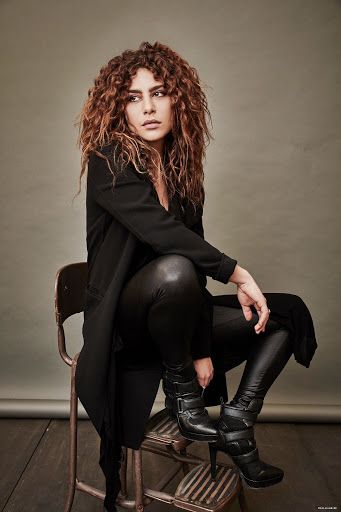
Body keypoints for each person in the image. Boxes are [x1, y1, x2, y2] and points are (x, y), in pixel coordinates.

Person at [74, 41, 317, 511]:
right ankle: (184, 402)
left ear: (177, 99)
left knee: (286, 312)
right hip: (124, 326)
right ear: (118, 108)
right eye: (132, 97)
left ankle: (236, 424)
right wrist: (237, 272)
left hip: (176, 312)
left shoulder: (182, 170)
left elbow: (193, 274)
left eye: (158, 93)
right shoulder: (109, 162)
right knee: (175, 265)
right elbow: (163, 235)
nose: (147, 107)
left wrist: (201, 343)